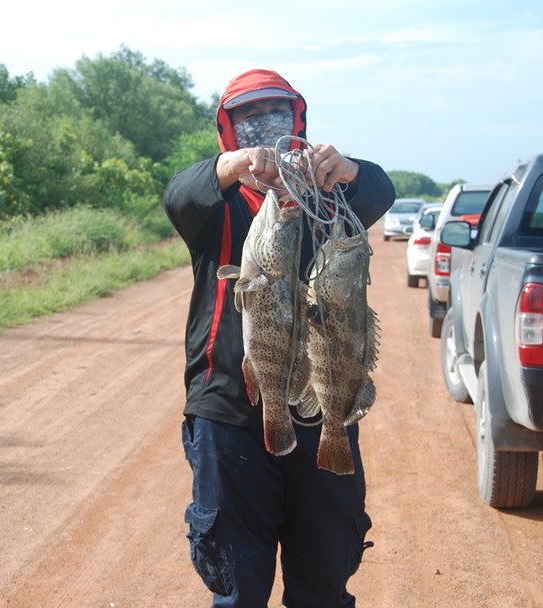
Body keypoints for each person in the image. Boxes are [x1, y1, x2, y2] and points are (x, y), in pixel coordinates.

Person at [162, 68, 396, 607]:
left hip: (318, 417)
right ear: (226, 127)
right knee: (239, 588)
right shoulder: (211, 208)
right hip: (228, 417)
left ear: (298, 120)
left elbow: (379, 190)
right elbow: (179, 192)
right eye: (246, 115)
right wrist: (233, 166)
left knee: (323, 584)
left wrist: (349, 170)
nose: (262, 124)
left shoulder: (327, 201)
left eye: (275, 113)